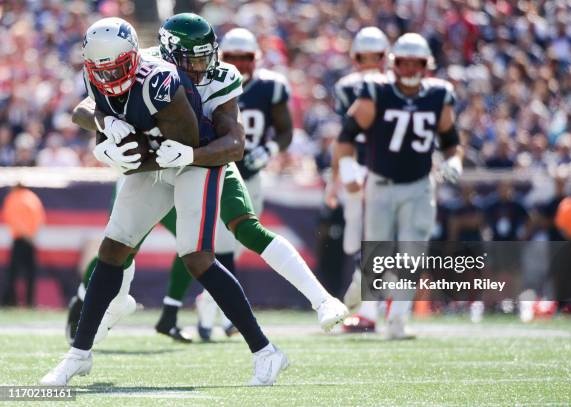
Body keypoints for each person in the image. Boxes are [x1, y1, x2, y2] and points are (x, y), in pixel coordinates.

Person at [66, 19, 347, 346]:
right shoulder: (140, 64)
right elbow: (86, 105)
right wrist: (106, 120)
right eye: (191, 60)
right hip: (152, 165)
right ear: (169, 53)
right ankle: (113, 302)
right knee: (121, 243)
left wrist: (190, 155)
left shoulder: (220, 76)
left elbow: (234, 143)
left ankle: (321, 299)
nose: (201, 68)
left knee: (241, 230)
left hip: (199, 162)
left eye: (205, 57)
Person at [42, 16, 287, 387]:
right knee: (112, 249)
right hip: (158, 157)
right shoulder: (98, 74)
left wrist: (127, 153)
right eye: (102, 72)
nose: (109, 78)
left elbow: (195, 144)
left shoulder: (162, 81)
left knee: (197, 258)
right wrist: (107, 131)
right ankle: (78, 355)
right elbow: (95, 110)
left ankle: (266, 352)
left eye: (117, 70)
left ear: (134, 58)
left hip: (194, 160)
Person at [190, 27, 347, 339]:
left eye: (245, 58)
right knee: (221, 249)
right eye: (232, 57)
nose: (238, 64)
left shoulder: (270, 87)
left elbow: (285, 131)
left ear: (256, 59)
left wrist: (268, 150)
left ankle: (210, 306)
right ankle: (225, 314)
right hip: (214, 172)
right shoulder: (208, 82)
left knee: (236, 245)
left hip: (250, 176)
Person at [332, 33, 463, 338]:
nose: (409, 69)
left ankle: (398, 320)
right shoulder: (376, 90)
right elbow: (347, 135)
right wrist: (348, 165)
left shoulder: (438, 94)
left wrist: (454, 161)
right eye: (403, 62)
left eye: (415, 63)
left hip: (419, 184)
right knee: (375, 256)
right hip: (381, 182)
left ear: (426, 64)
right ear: (394, 63)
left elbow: (452, 142)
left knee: (411, 253)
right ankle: (359, 303)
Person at [325, 26, 390, 333]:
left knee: (359, 242)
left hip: (355, 168)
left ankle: (365, 303)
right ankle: (366, 302)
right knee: (375, 241)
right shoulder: (393, 84)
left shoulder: (347, 85)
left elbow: (344, 136)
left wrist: (336, 176)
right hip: (386, 169)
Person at [1, 183, 46, 307]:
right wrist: (31, 235)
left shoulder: (13, 198)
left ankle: (11, 301)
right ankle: (30, 301)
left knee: (13, 273)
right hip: (31, 240)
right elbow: (40, 218)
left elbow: (11, 218)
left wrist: (24, 233)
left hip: (20, 239)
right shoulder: (32, 198)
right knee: (30, 273)